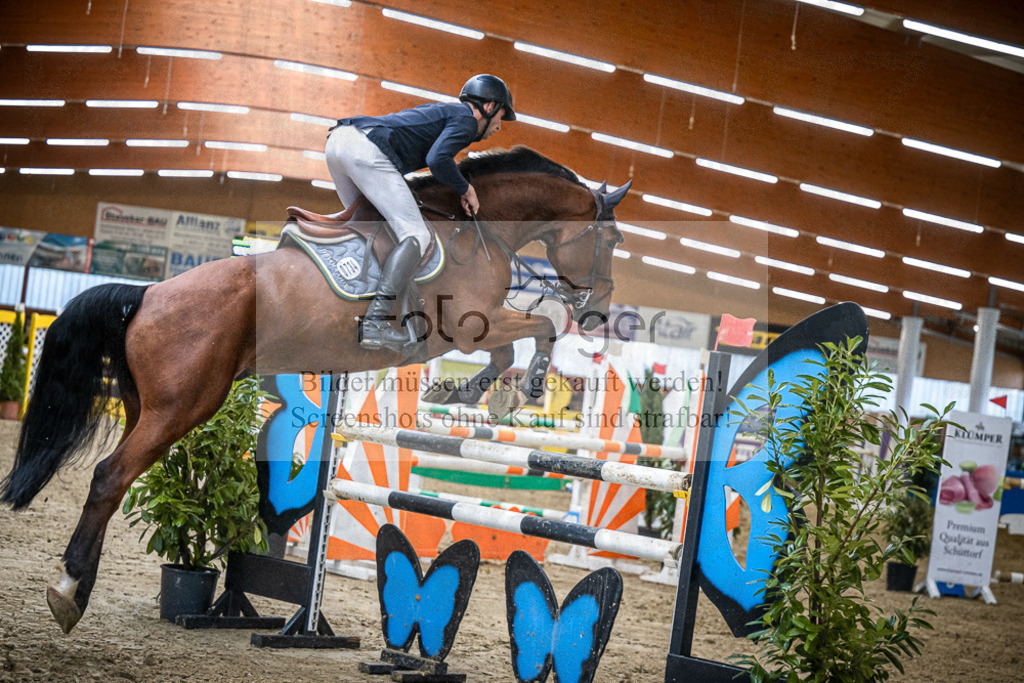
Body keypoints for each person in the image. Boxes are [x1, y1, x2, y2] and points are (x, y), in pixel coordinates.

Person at [325, 74, 516, 352]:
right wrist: (466, 189)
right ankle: (375, 321)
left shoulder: (449, 114)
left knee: (371, 229)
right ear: (488, 107)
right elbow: (438, 159)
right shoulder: (466, 119)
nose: (499, 126)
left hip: (338, 143)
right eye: (501, 116)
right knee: (417, 234)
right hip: (365, 149)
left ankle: (346, 295)